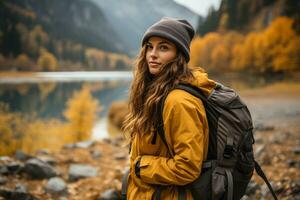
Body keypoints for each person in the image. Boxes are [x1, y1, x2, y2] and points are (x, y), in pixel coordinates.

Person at [123, 17, 216, 199]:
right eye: (150, 46)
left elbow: (188, 167)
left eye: (163, 47)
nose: (153, 54)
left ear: (178, 55)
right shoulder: (156, 93)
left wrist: (140, 166)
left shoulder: (179, 101)